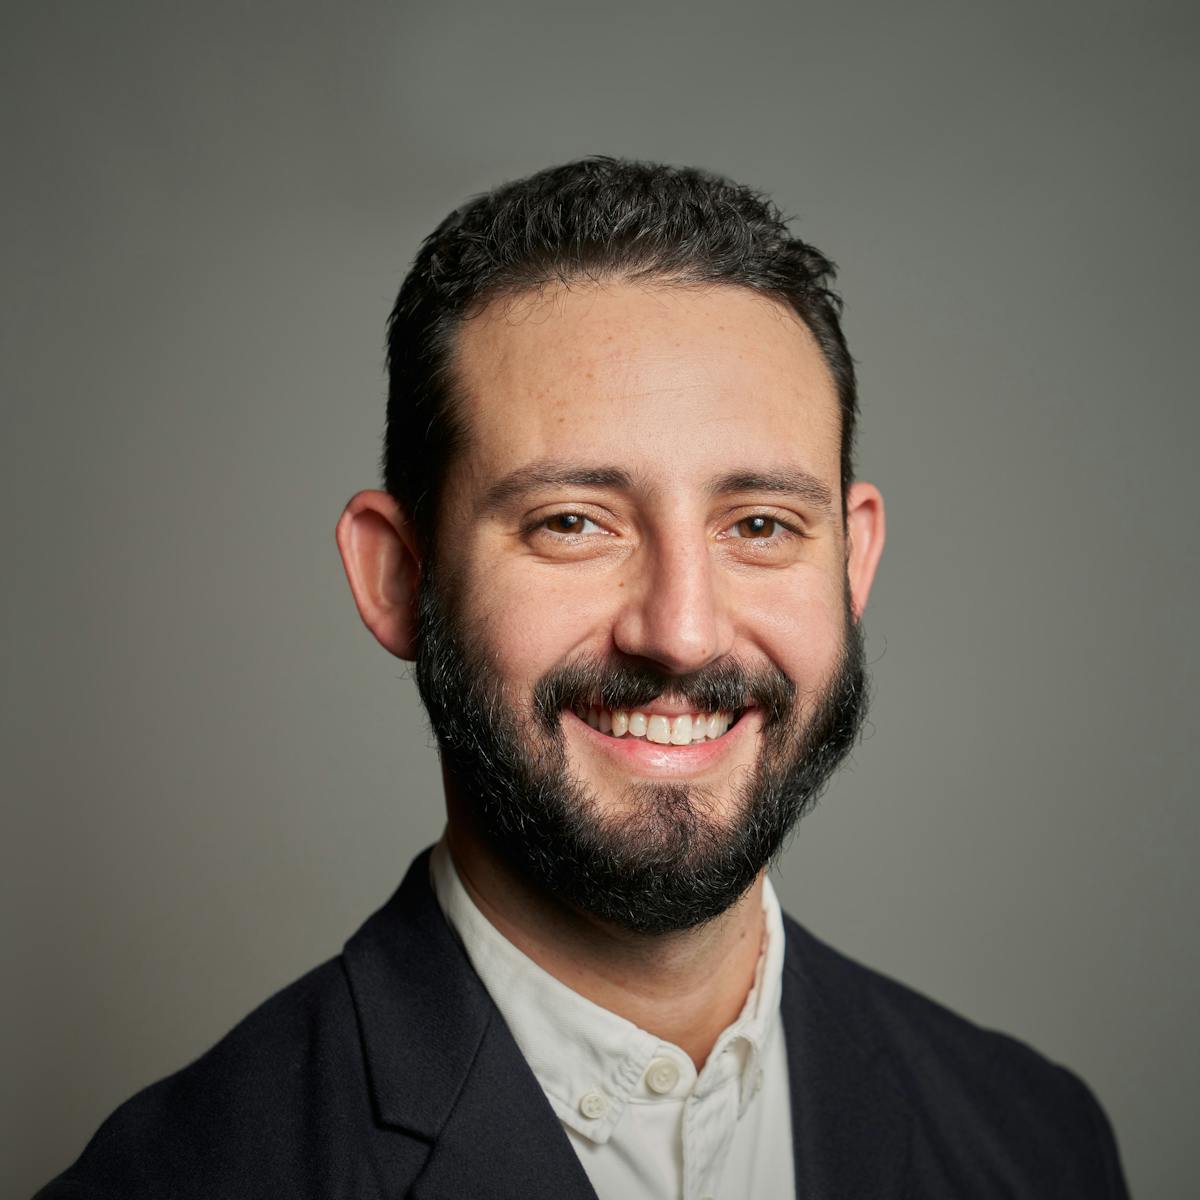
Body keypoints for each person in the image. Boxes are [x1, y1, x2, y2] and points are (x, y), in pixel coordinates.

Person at [36, 157, 1130, 1199]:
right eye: (573, 522)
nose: (685, 633)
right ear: (397, 576)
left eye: (759, 524)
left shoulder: (1038, 1142)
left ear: (854, 561)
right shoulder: (180, 1181)